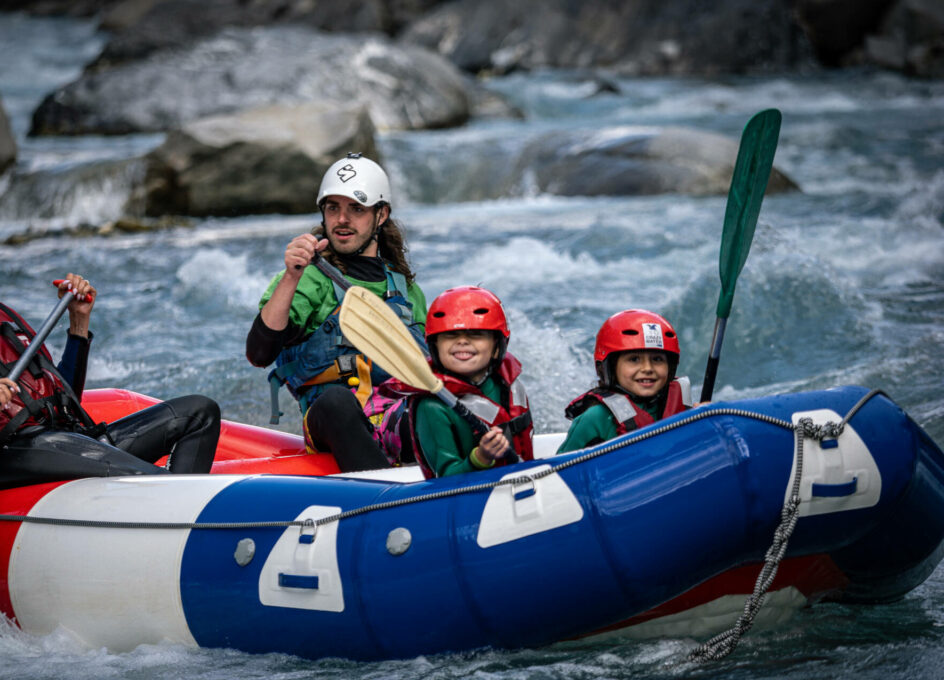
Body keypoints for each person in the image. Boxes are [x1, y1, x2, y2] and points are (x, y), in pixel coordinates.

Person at [0, 222, 221, 490]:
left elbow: (66, 395)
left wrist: (79, 324)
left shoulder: (0, 319)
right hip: (4, 455)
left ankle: (176, 513)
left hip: (69, 438)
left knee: (200, 412)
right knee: (147, 478)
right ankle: (176, 507)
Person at [245, 153, 428, 472]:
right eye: (333, 208)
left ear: (381, 214)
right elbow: (259, 352)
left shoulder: (405, 290)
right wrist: (291, 276)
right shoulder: (308, 277)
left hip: (395, 420)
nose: (342, 219)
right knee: (336, 403)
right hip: (331, 422)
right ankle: (386, 498)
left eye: (356, 208)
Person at [375, 285, 534, 478]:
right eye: (450, 335)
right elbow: (446, 478)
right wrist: (481, 457)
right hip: (469, 498)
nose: (462, 341)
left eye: (476, 334)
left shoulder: (508, 385)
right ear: (435, 347)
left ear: (496, 347)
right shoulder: (432, 407)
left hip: (520, 480)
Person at [558, 308, 691, 452]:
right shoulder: (595, 419)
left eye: (657, 359)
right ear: (608, 368)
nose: (647, 368)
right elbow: (557, 472)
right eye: (634, 359)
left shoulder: (685, 411)